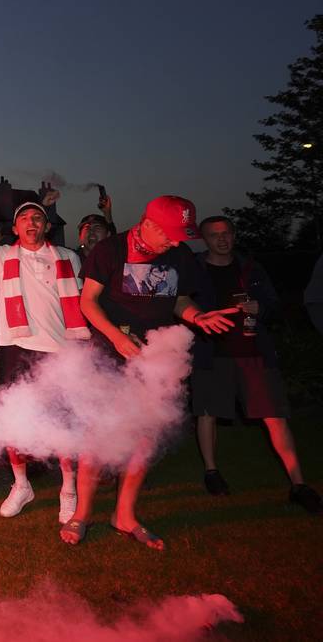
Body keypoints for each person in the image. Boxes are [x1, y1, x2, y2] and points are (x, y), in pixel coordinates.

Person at [68, 196, 238, 550]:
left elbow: (178, 299)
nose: (176, 242)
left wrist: (196, 316)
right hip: (111, 356)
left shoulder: (178, 256)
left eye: (181, 236)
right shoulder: (110, 250)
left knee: (143, 439)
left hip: (158, 358)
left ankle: (124, 515)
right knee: (98, 440)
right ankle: (82, 513)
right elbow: (87, 301)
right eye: (171, 235)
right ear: (150, 223)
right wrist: (116, 338)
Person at [0, 178, 88, 524]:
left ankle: (69, 489)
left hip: (61, 352)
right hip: (19, 349)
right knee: (14, 422)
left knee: (64, 425)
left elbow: (84, 305)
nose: (31, 223)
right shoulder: (3, 257)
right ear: (14, 226)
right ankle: (21, 485)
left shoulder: (69, 259)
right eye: (24, 219)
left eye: (37, 218)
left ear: (46, 225)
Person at [190, 216, 320, 513]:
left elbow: (274, 305)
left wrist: (261, 308)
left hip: (253, 352)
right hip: (212, 352)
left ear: (234, 236)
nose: (222, 240)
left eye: (226, 234)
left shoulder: (252, 267)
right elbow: (182, 304)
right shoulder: (194, 270)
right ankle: (212, 472)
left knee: (275, 415)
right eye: (214, 235)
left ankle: (298, 483)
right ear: (204, 239)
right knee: (207, 412)